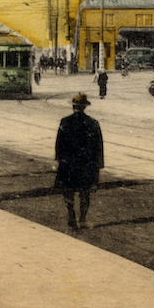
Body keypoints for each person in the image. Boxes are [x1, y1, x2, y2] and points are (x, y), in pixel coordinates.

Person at [54, 93, 104, 230]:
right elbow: (98, 147)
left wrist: (60, 160)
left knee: (68, 191)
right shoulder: (93, 123)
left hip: (68, 163)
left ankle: (71, 215)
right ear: (84, 107)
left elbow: (59, 144)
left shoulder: (65, 121)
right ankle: (82, 220)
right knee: (85, 193)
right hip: (86, 164)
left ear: (73, 107)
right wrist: (98, 165)